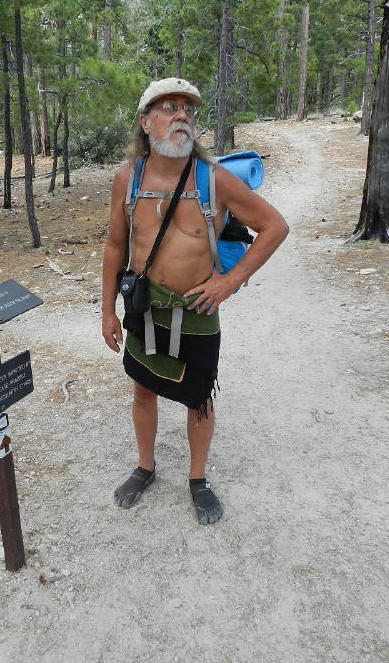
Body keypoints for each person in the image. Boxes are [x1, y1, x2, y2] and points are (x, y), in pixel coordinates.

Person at [101, 78, 288, 525]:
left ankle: (198, 478)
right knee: (143, 388)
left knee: (199, 397)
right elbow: (115, 245)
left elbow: (274, 226)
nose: (181, 114)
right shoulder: (127, 179)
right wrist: (107, 310)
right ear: (146, 122)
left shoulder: (214, 179)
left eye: (188, 108)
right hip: (144, 308)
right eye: (168, 106)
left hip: (198, 311)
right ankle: (145, 467)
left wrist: (229, 281)